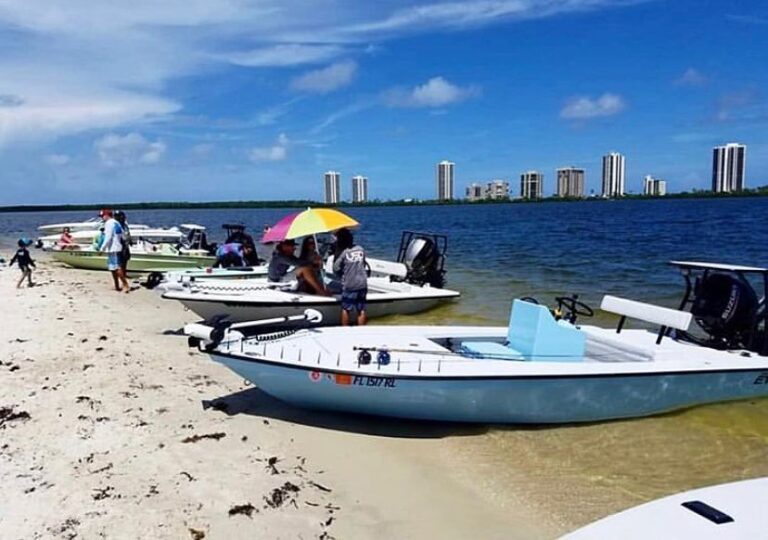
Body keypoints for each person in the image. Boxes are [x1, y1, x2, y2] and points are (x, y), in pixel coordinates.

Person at [332, 228, 368, 326]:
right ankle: (362, 330)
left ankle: (345, 332)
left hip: (350, 284)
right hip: (362, 283)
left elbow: (335, 268)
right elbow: (363, 263)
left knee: (346, 309)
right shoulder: (360, 249)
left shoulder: (344, 253)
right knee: (361, 309)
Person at [98, 209, 130, 293]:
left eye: (102, 216)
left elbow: (107, 237)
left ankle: (125, 284)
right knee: (112, 267)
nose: (102, 218)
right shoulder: (116, 223)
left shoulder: (109, 223)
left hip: (113, 248)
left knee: (117, 268)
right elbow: (123, 235)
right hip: (116, 247)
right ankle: (116, 285)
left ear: (106, 215)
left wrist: (102, 249)